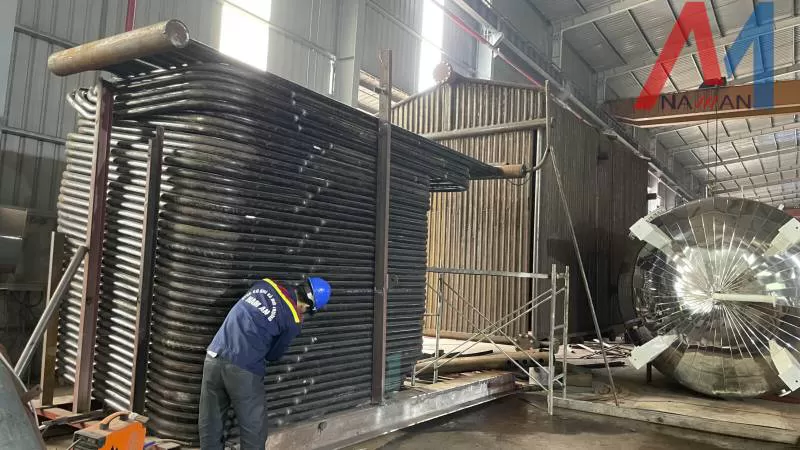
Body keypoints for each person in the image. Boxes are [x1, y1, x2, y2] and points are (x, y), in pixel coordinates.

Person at [198, 276, 331, 449]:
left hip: (214, 354)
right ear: (307, 306)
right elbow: (273, 355)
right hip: (243, 366)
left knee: (211, 420)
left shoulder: (265, 284)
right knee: (254, 428)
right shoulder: (292, 319)